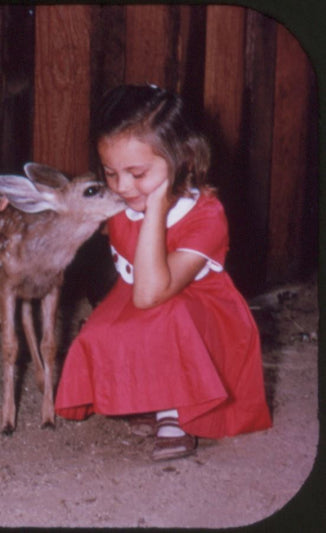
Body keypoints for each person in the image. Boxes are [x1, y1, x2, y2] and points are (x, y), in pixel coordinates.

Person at [54, 84, 272, 461]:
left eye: (137, 173)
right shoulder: (124, 197)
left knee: (167, 319)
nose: (122, 187)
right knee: (101, 330)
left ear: (181, 159)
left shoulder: (205, 215)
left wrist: (155, 205)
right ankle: (150, 395)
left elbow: (151, 293)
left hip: (200, 310)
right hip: (144, 295)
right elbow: (76, 215)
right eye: (110, 172)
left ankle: (174, 411)